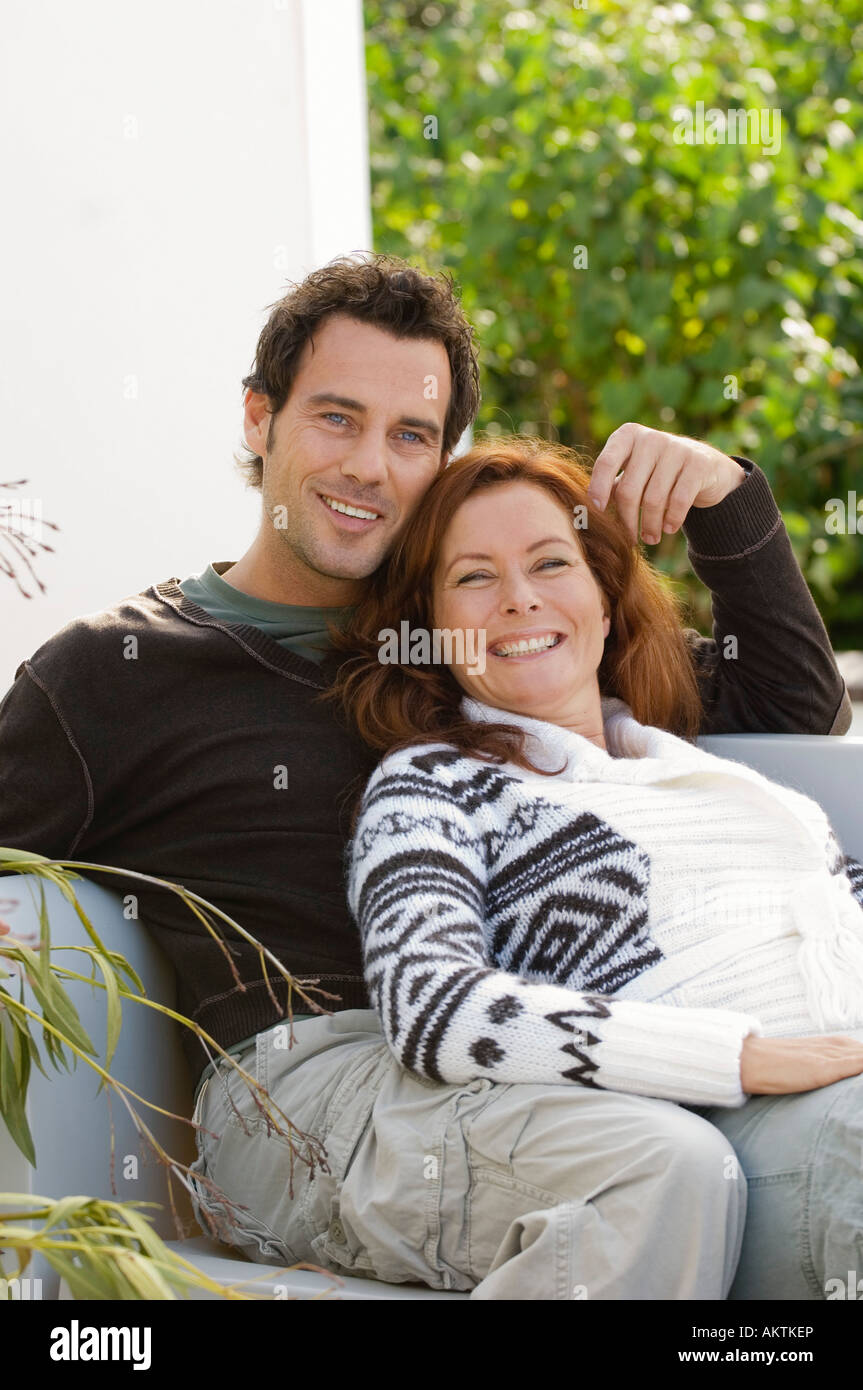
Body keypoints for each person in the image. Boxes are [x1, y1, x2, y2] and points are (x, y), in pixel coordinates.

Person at [0, 253, 853, 1301]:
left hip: (559, 1060)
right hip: (321, 1084)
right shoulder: (117, 669)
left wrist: (721, 499)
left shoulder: (485, 630)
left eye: (409, 436)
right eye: (335, 418)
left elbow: (791, 712)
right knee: (652, 1167)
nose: (369, 465)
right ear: (257, 419)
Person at [328, 434, 863, 1299]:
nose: (518, 599)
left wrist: (724, 489)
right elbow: (428, 1008)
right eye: (473, 577)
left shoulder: (691, 766)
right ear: (426, 630)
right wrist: (739, 1057)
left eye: (550, 562)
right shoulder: (433, 786)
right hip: (736, 1129)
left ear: (606, 601)